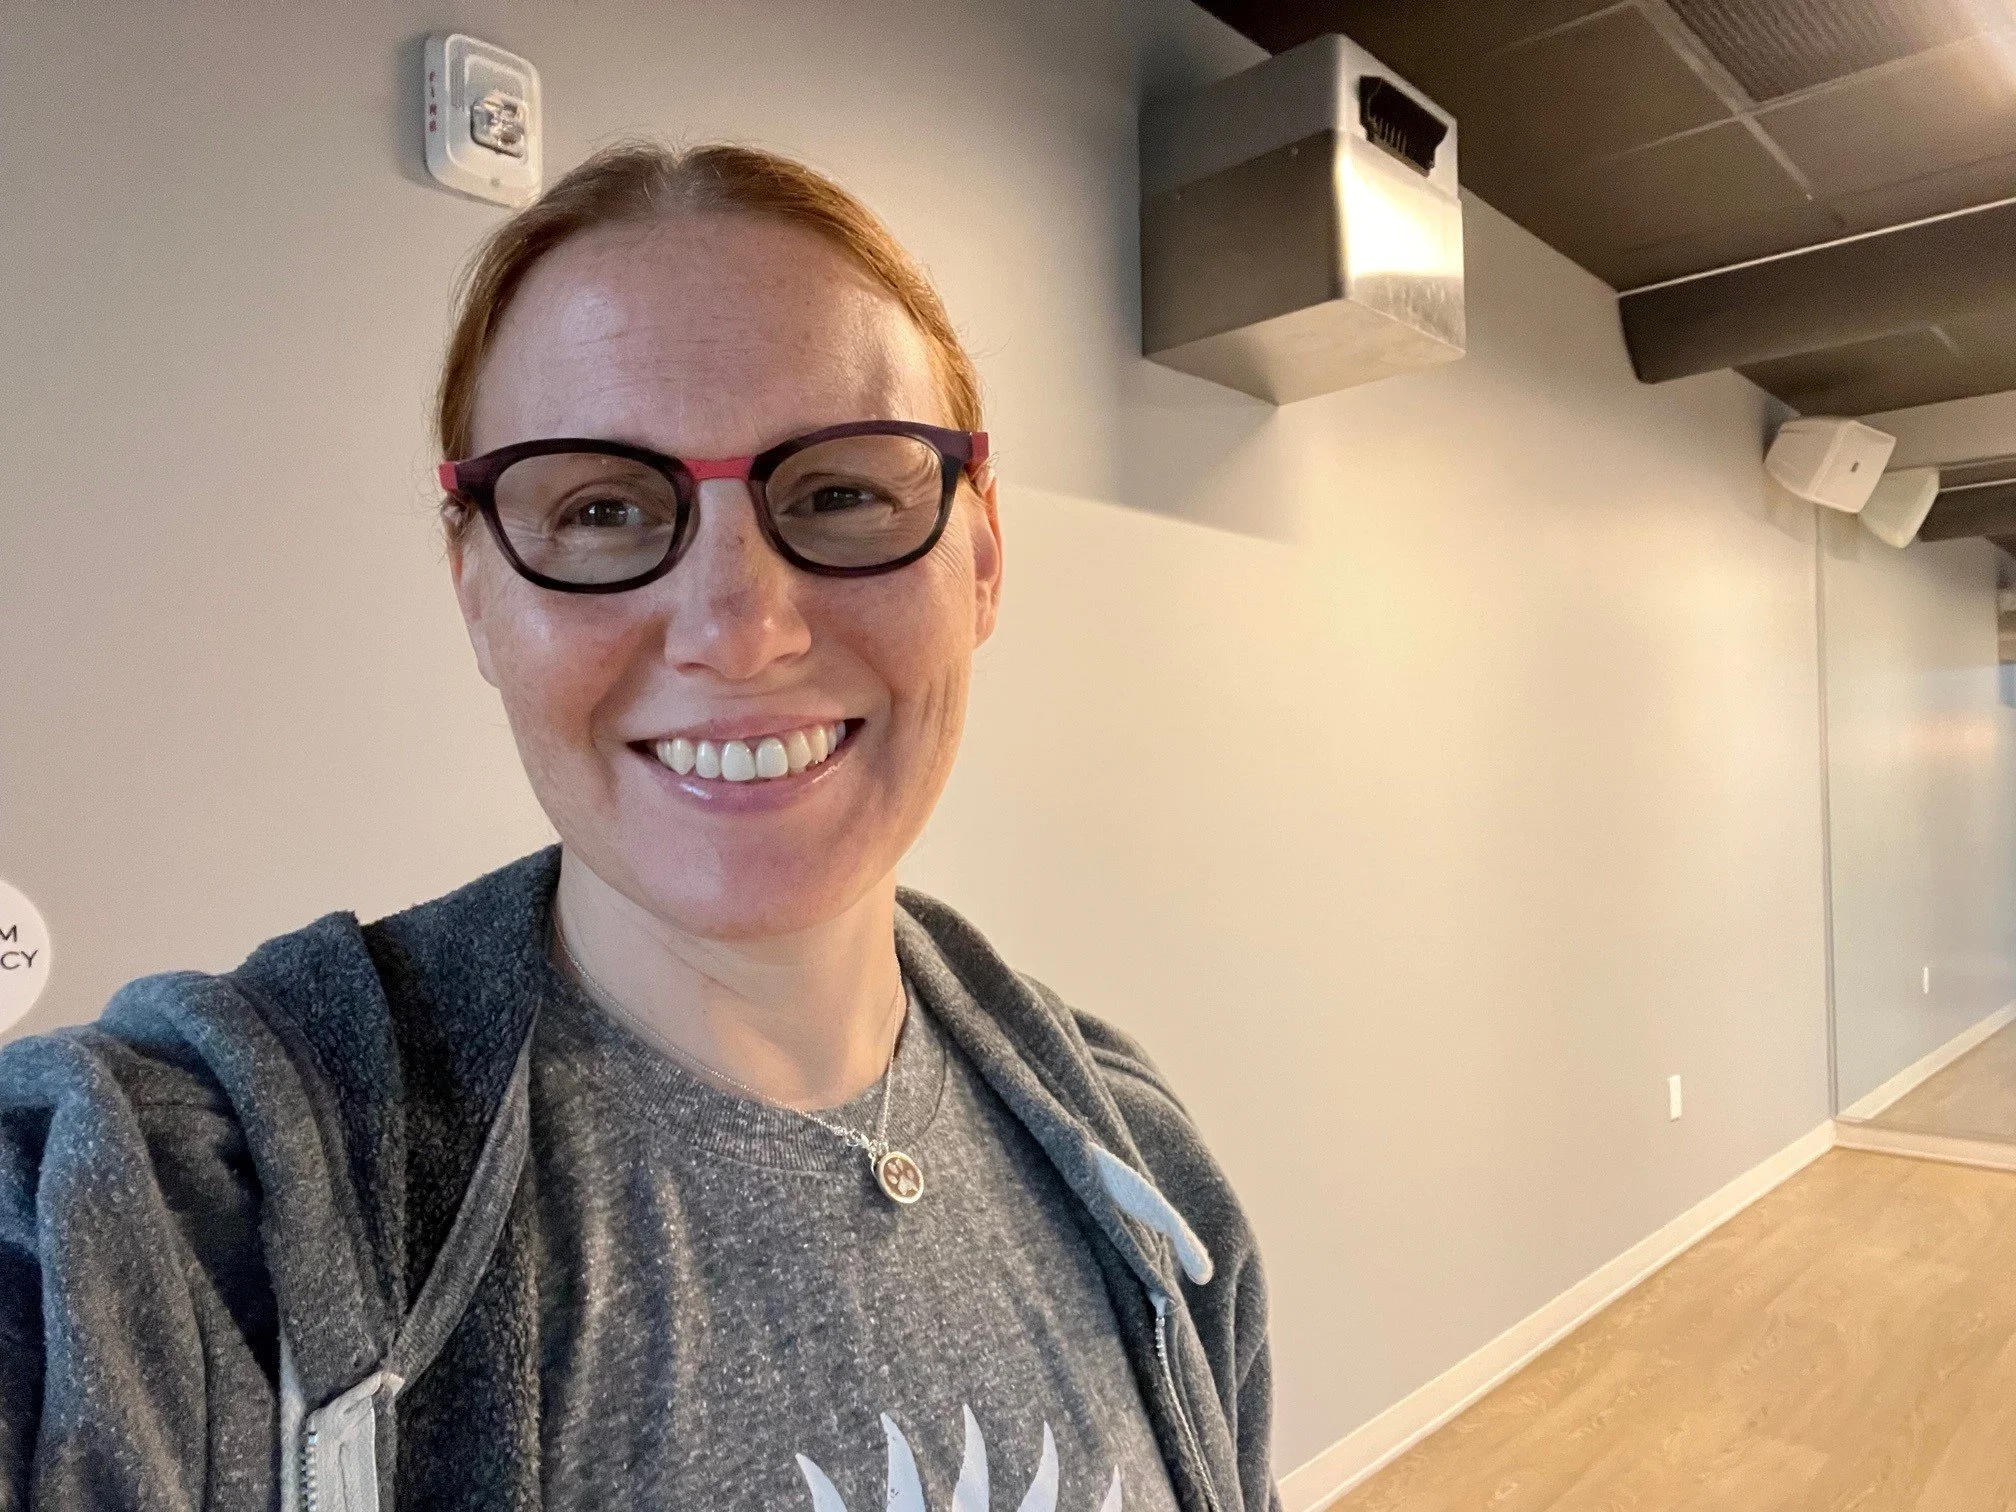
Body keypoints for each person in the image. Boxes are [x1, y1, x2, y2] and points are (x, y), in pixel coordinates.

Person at [0, 139, 1281, 1512]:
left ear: (981, 556)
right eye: (602, 509)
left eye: (842, 491)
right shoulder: (197, 1186)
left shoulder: (1147, 1181)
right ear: (476, 589)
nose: (740, 627)